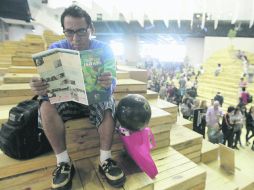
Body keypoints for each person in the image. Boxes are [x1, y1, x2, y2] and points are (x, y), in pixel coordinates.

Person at [29, 5, 125, 189]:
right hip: (67, 101)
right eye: (69, 32)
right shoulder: (56, 48)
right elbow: (47, 84)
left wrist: (109, 82)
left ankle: (105, 159)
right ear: (64, 31)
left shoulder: (104, 49)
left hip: (94, 101)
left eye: (81, 31)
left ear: (91, 29)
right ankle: (63, 162)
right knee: (45, 104)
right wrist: (40, 86)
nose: (75, 38)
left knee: (108, 101)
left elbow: (113, 81)